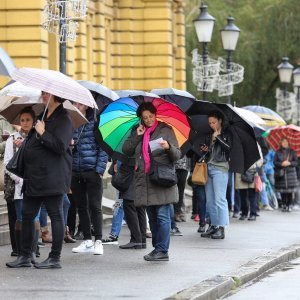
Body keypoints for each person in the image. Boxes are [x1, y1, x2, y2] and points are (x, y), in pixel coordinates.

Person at [6, 91, 73, 269]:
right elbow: (36, 143)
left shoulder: (63, 119)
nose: (43, 95)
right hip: (34, 177)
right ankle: (25, 256)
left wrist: (43, 134)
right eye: (43, 93)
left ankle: (55, 258)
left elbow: (60, 147)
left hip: (52, 177)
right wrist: (26, 143)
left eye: (47, 93)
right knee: (27, 215)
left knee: (56, 215)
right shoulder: (43, 116)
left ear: (57, 95)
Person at [123, 102, 181, 261]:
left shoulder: (165, 130)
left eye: (150, 116)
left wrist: (168, 146)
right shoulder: (138, 131)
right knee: (153, 217)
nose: (148, 120)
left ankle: (163, 250)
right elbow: (126, 150)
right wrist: (137, 135)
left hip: (161, 178)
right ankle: (157, 248)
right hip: (145, 180)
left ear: (155, 115)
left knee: (162, 216)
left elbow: (177, 155)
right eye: (145, 117)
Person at [71, 103, 108, 255]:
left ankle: (98, 241)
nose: (77, 106)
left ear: (87, 106)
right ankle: (87, 240)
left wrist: (99, 170)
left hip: (92, 171)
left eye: (80, 103)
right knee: (81, 207)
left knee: (95, 206)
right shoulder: (72, 122)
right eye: (75, 103)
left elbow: (103, 148)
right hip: (76, 171)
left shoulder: (96, 123)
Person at [4, 108, 40, 259]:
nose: (25, 123)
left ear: (34, 122)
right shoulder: (12, 139)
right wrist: (20, 179)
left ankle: (33, 248)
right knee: (20, 217)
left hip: (35, 184)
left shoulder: (38, 138)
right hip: (18, 185)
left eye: (28, 120)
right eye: (22, 120)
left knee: (35, 218)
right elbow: (8, 164)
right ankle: (20, 251)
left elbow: (39, 161)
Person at [200, 110, 232, 240]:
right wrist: (206, 149)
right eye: (210, 123)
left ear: (220, 121)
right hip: (209, 167)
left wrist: (218, 138)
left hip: (221, 168)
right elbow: (209, 153)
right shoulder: (209, 134)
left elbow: (229, 149)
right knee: (210, 201)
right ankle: (213, 225)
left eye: (213, 122)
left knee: (220, 199)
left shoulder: (227, 134)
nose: (211, 125)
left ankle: (221, 228)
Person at [274, 137, 298, 212]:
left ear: (288, 142)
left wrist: (290, 163)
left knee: (290, 191)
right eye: (283, 141)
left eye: (286, 142)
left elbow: (296, 162)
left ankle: (289, 204)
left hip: (291, 174)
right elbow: (274, 162)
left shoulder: (292, 151)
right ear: (280, 143)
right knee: (282, 190)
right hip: (281, 174)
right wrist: (282, 164)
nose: (285, 143)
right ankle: (284, 204)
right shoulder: (277, 152)